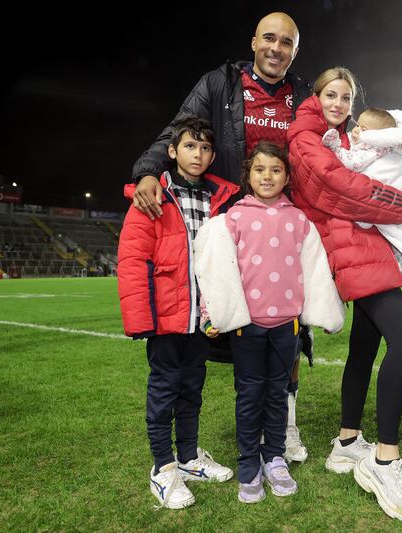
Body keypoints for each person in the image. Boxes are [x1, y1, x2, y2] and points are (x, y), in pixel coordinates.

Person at [129, 12, 312, 462]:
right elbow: (179, 129)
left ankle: (284, 427)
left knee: (288, 325)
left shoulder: (301, 97)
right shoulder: (219, 84)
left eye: (286, 42)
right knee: (228, 332)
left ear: (294, 51)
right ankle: (221, 436)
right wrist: (148, 171)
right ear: (253, 42)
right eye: (269, 38)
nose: (276, 48)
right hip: (231, 226)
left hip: (282, 228)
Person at [288, 66, 402, 522]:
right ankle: (384, 462)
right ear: (316, 95)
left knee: (366, 346)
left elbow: (373, 166)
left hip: (362, 244)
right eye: (332, 94)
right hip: (349, 247)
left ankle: (347, 443)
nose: (339, 104)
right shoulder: (305, 137)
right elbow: (340, 189)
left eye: (346, 98)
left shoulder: (344, 139)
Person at [193, 141, 344, 504]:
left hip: (286, 327)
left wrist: (323, 310)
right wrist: (211, 312)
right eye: (260, 169)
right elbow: (215, 270)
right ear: (248, 175)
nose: (267, 176)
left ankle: (274, 457)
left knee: (278, 395)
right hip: (247, 327)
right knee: (249, 395)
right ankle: (249, 463)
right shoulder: (232, 219)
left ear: (287, 177)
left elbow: (315, 270)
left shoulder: (299, 221)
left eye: (276, 170)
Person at [117, 118, 237, 510]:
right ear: (172, 151)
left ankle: (187, 458)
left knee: (192, 390)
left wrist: (221, 307)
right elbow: (133, 259)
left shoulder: (219, 198)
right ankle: (162, 467)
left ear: (212, 155)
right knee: (163, 390)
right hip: (166, 315)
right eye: (189, 147)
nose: (197, 155)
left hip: (202, 318)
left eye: (204, 149)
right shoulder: (152, 195)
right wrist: (140, 320)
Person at [322, 107, 402, 271]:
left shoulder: (374, 149)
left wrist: (335, 148)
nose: (356, 131)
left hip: (396, 193)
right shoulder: (384, 148)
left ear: (379, 137)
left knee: (394, 230)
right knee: (396, 230)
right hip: (400, 196)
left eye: (363, 129)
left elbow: (353, 163)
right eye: (358, 125)